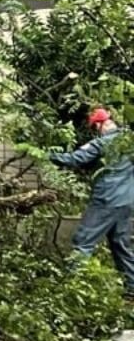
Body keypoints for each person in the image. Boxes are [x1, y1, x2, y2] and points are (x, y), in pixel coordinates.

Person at [48, 108, 134, 299]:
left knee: (83, 242)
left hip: (106, 200)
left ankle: (71, 289)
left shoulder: (101, 143)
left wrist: (47, 156)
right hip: (127, 201)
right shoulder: (129, 142)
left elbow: (75, 159)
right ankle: (132, 289)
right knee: (121, 245)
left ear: (98, 125)